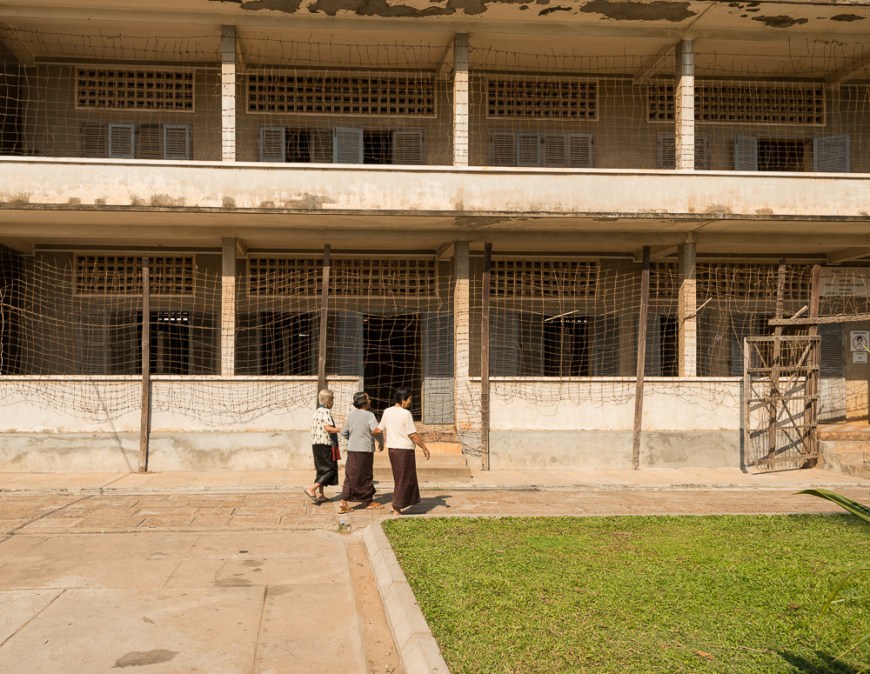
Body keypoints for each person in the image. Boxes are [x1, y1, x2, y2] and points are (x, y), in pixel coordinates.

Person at [379, 387, 430, 516]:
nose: (410, 402)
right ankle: (397, 508)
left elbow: (380, 429)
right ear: (403, 399)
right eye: (409, 399)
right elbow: (412, 434)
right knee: (404, 479)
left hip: (392, 449)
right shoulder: (405, 414)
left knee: (399, 478)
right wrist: (424, 447)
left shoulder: (387, 411)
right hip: (404, 450)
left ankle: (394, 505)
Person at [338, 391, 384, 513]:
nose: (370, 400)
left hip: (352, 449)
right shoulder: (369, 415)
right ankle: (368, 501)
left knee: (350, 475)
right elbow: (376, 431)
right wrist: (381, 442)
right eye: (368, 399)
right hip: (365, 450)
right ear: (363, 402)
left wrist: (354, 438)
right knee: (366, 475)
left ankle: (344, 501)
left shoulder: (351, 415)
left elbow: (343, 432)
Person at [304, 389, 341, 505]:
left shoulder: (316, 412)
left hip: (316, 444)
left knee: (321, 469)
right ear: (328, 400)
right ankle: (312, 489)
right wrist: (343, 429)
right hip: (325, 445)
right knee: (330, 470)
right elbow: (328, 428)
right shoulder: (326, 412)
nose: (333, 402)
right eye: (332, 399)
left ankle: (321, 495)